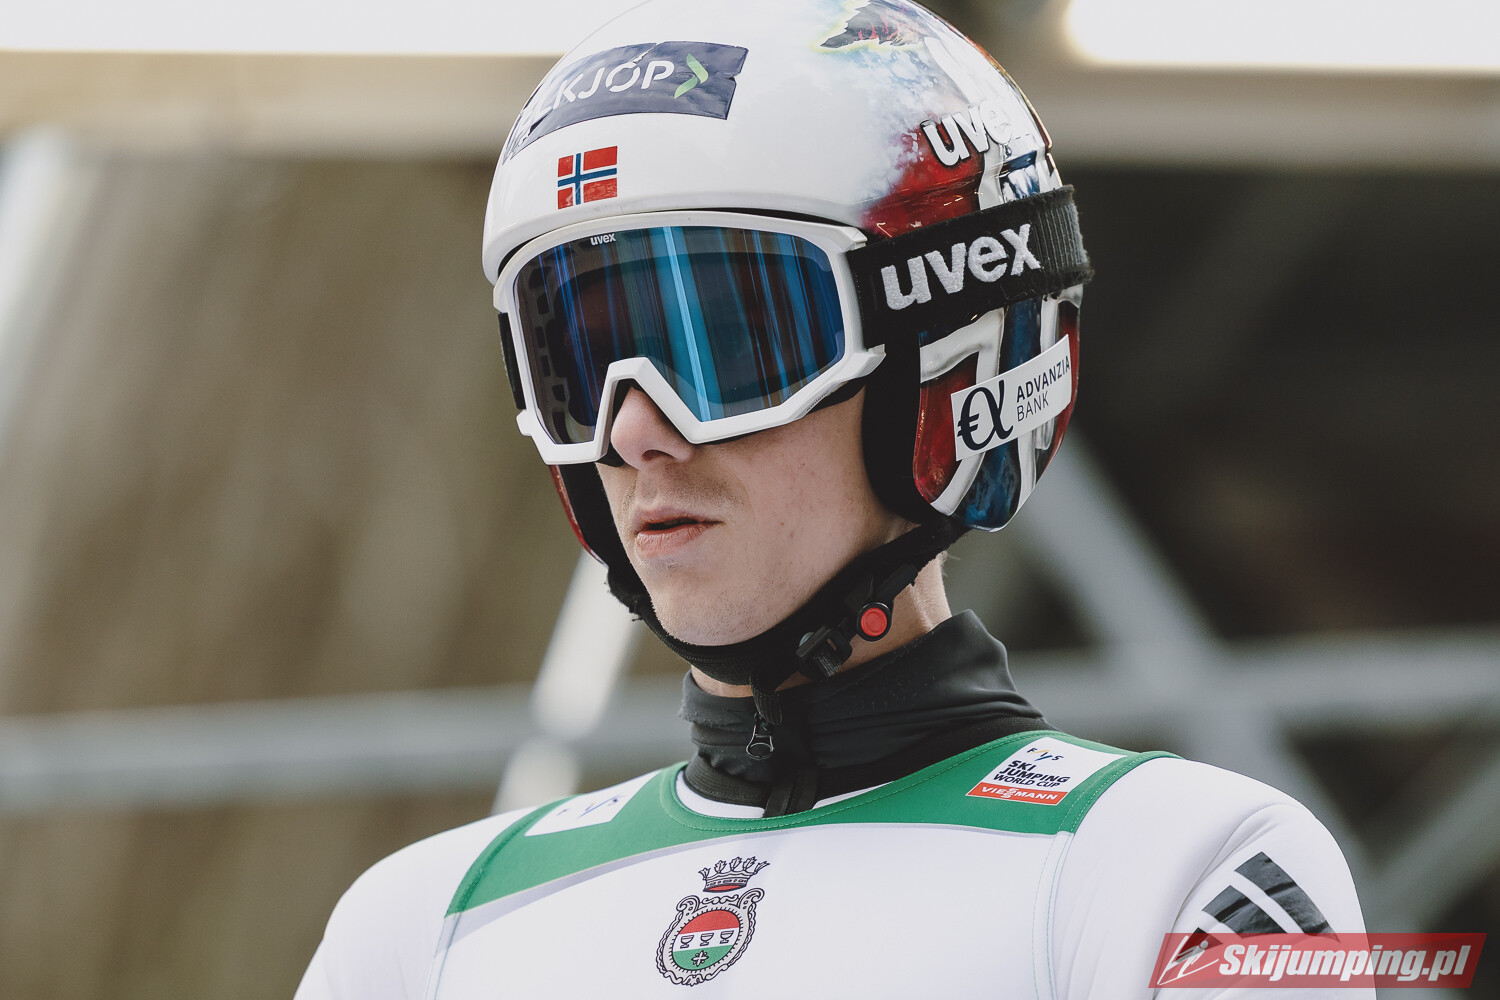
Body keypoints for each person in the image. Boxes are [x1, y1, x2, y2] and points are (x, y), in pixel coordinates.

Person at [296, 1, 1370, 996]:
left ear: (942, 361)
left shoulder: (1177, 866)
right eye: (578, 364)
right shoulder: (419, 928)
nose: (633, 431)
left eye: (721, 349)